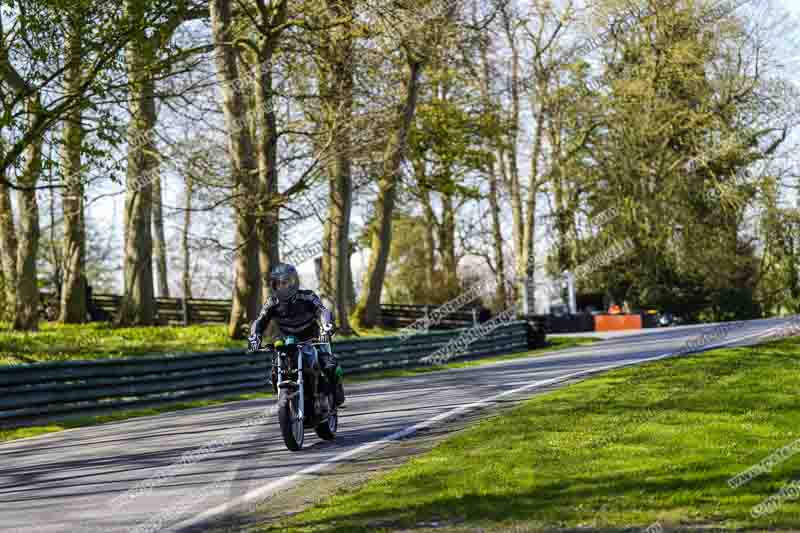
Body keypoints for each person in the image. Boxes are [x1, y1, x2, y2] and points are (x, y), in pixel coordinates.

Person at [247, 263, 344, 407]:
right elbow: (260, 321)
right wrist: (255, 337)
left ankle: (334, 394)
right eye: (277, 283)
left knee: (328, 364)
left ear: (293, 282)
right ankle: (288, 398)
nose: (281, 286)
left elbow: (322, 311)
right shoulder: (271, 302)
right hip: (287, 342)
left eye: (285, 282)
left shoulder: (307, 296)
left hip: (313, 339)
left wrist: (326, 327)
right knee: (274, 372)